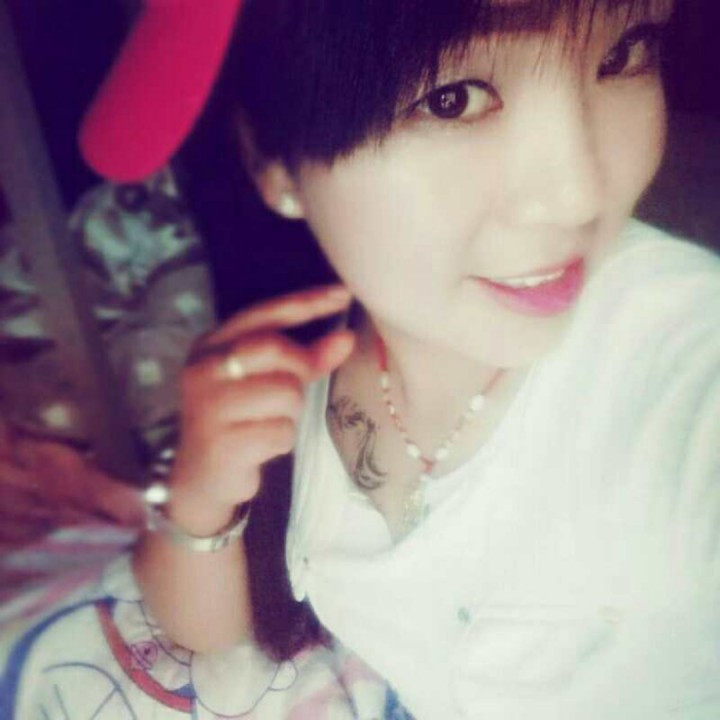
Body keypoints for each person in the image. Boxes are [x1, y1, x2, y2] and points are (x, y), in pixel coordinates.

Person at [15, 0, 720, 717]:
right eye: (453, 98)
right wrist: (202, 491)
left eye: (624, 54)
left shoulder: (685, 367)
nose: (579, 197)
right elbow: (211, 632)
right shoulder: (305, 369)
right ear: (273, 162)